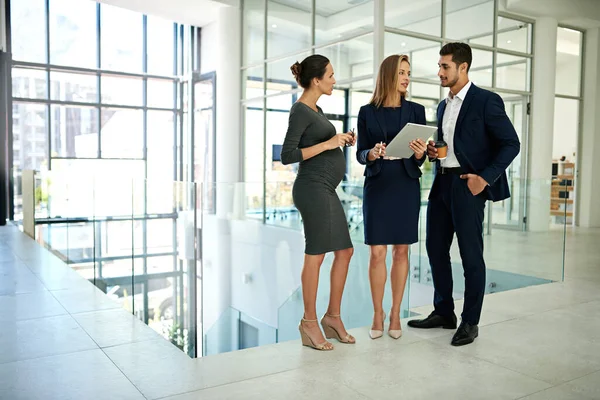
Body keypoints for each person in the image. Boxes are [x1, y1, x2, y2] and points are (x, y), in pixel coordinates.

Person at [407, 42, 520, 346]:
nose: (439, 72)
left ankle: (470, 321)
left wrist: (484, 178)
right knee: (434, 248)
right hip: (442, 182)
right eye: (439, 66)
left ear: (463, 67)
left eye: (445, 66)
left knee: (471, 255)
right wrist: (434, 152)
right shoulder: (443, 105)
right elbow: (449, 146)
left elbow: (511, 144)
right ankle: (444, 312)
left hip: (469, 185)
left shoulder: (487, 101)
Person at [280, 55, 357, 351]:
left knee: (345, 251)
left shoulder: (317, 109)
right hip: (312, 189)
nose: (334, 80)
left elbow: (321, 145)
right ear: (316, 80)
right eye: (331, 75)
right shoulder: (299, 110)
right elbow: (288, 155)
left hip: (325, 188)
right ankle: (309, 322)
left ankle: (332, 317)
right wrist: (328, 143)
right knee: (316, 254)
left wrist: (341, 140)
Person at [356, 54, 428, 340]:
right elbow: (361, 152)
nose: (407, 77)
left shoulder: (416, 110)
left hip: (405, 183)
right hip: (378, 184)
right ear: (388, 75)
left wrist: (421, 153)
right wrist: (371, 153)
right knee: (377, 252)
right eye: (401, 72)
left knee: (401, 250)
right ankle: (378, 312)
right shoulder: (366, 111)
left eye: (408, 72)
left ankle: (396, 312)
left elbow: (421, 155)